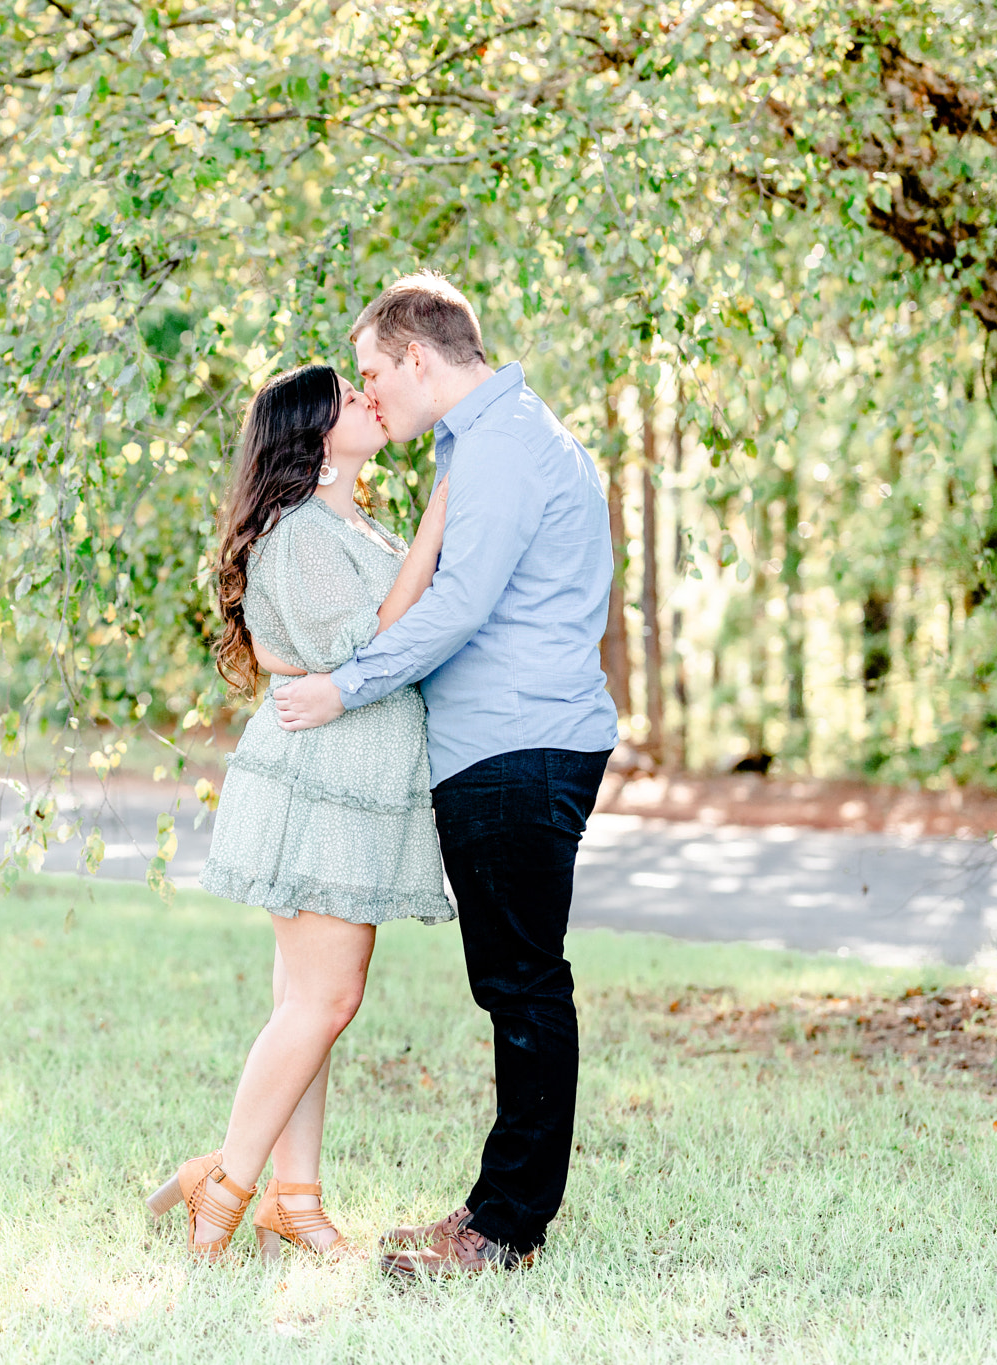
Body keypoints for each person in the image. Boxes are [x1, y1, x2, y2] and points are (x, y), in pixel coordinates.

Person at [273, 273, 619, 1276]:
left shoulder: (504, 448)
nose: (370, 395)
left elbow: (460, 606)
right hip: (501, 745)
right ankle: (492, 1216)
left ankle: (502, 1229)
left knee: (521, 984)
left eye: (376, 374)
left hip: (519, 745)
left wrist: (344, 688)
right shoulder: (482, 444)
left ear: (417, 357)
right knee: (511, 981)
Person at [146, 362, 452, 1262]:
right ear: (314, 439)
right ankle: (229, 1183)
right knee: (326, 997)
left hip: (349, 781)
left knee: (308, 1001)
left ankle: (297, 1199)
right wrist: (443, 517)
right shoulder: (301, 532)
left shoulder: (344, 522)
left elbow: (339, 643)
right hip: (321, 782)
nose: (367, 399)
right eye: (347, 398)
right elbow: (368, 644)